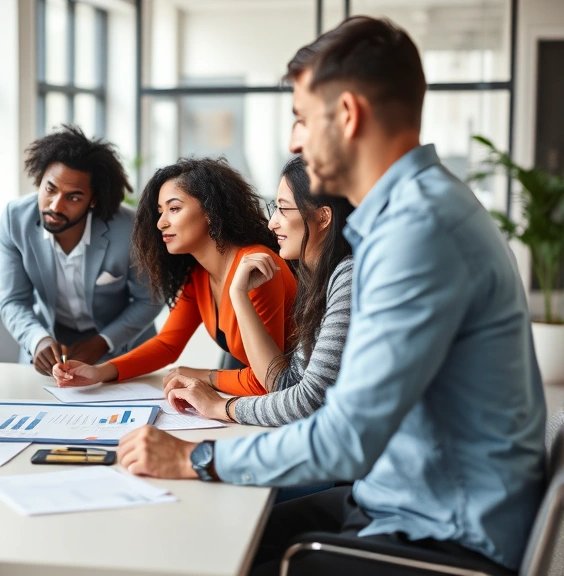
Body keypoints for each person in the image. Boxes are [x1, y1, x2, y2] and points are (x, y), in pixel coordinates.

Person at [115, 16, 545, 576]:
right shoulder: (414, 214)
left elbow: (343, 435)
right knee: (198, 534)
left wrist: (195, 455)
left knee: (206, 549)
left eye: (300, 119)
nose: (294, 140)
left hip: (437, 536)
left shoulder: (420, 232)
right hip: (395, 497)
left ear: (346, 116)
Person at [53, 157, 297, 395]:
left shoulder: (256, 268)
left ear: (210, 211)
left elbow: (268, 382)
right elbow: (167, 344)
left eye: (174, 208)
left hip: (292, 399)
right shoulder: (199, 274)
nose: (160, 223)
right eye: (160, 211)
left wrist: (204, 376)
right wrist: (98, 372)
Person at [164, 156, 353, 427]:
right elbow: (283, 384)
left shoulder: (347, 278)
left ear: (323, 217)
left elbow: (307, 401)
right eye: (274, 208)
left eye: (284, 209)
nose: (271, 223)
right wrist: (238, 295)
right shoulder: (317, 282)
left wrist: (220, 406)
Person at [0, 125, 162, 374]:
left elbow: (149, 299)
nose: (55, 205)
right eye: (50, 189)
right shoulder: (14, 219)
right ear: (39, 180)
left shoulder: (130, 228)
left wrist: (102, 342)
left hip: (123, 350)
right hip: (49, 350)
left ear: (92, 200)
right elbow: (13, 300)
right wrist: (37, 340)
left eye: (73, 197)